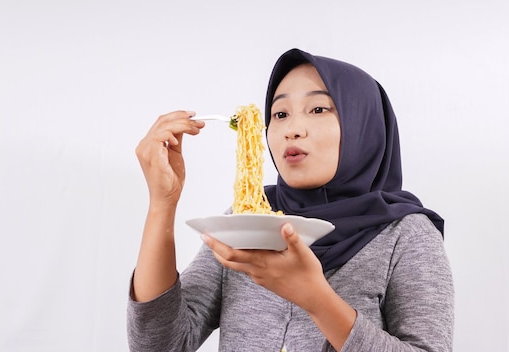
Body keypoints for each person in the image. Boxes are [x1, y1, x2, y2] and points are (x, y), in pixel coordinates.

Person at [127, 48, 454, 352]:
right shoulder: (248, 218)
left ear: (362, 125)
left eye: (318, 109)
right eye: (280, 113)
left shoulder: (406, 234)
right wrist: (162, 202)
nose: (292, 129)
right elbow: (161, 345)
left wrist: (316, 298)